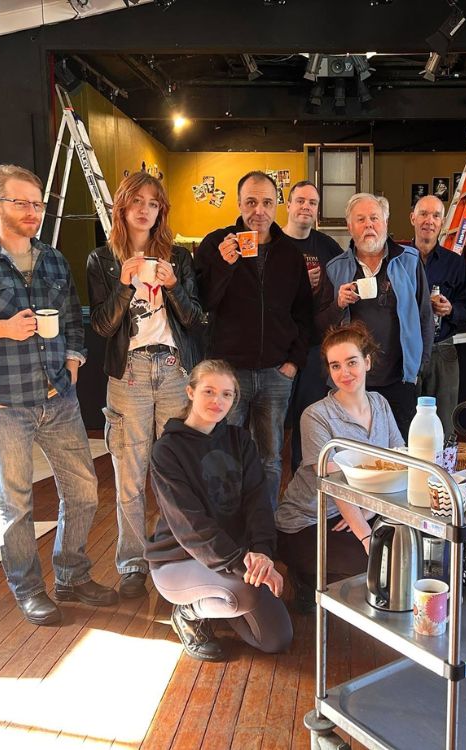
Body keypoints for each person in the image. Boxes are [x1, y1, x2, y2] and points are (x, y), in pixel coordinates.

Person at [0, 163, 118, 624]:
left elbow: (72, 321)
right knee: (16, 505)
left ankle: (72, 575)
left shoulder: (54, 259)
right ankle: (28, 590)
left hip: (57, 396)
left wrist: (73, 362)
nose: (32, 211)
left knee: (83, 492)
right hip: (3, 403)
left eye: (37, 203)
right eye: (20, 202)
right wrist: (2, 328)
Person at [86, 173, 203, 600]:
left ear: (161, 211)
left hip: (174, 370)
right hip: (129, 373)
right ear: (121, 206)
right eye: (136, 201)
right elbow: (100, 326)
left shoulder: (179, 258)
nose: (144, 209)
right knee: (129, 477)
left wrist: (172, 288)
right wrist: (124, 283)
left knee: (176, 472)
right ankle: (132, 562)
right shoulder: (102, 260)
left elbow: (195, 320)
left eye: (153, 203)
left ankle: (175, 553)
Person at [147, 360, 293, 662]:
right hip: (179, 558)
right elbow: (191, 526)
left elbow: (258, 501)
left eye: (227, 394)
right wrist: (243, 565)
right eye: (209, 391)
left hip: (233, 557)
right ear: (190, 391)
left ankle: (220, 600)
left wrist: (263, 552)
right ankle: (188, 612)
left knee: (276, 639)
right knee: (246, 592)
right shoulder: (167, 450)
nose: (218, 401)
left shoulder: (240, 440)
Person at [194, 171, 315, 508]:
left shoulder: (290, 254)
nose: (258, 211)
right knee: (225, 455)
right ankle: (229, 530)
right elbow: (202, 302)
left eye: (265, 202)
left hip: (277, 374)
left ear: (277, 205)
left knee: (270, 457)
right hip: (228, 375)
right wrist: (224, 264)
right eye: (251, 202)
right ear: (238, 204)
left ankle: (265, 533)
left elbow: (303, 313)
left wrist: (293, 362)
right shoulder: (216, 244)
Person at [276, 322, 405, 613]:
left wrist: (370, 511)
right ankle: (305, 577)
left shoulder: (380, 403)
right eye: (335, 366)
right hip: (309, 520)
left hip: (361, 509)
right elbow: (336, 484)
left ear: (367, 362)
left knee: (407, 554)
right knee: (373, 564)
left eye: (352, 362)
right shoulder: (316, 415)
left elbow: (400, 459)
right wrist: (366, 536)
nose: (344, 373)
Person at [320, 193, 433, 435]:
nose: (369, 225)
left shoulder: (409, 260)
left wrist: (418, 365)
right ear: (350, 227)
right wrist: (338, 304)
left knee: (401, 448)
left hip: (400, 378)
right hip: (352, 381)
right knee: (355, 448)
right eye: (360, 219)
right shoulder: (336, 267)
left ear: (385, 223)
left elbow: (425, 315)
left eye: (374, 218)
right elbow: (321, 325)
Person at [282, 180, 342, 473]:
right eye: (301, 200)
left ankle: (303, 489)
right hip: (278, 349)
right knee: (273, 426)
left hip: (316, 347)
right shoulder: (271, 242)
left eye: (312, 203)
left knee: (308, 423)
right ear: (289, 205)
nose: (306, 206)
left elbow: (343, 286)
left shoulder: (328, 246)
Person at [410, 195, 466, 436]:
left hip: (442, 349)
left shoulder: (455, 264)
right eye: (424, 214)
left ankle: (442, 473)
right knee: (407, 421)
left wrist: (450, 310)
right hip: (408, 351)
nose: (429, 221)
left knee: (444, 424)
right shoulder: (398, 259)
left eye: (436, 216)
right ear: (412, 218)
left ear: (443, 222)